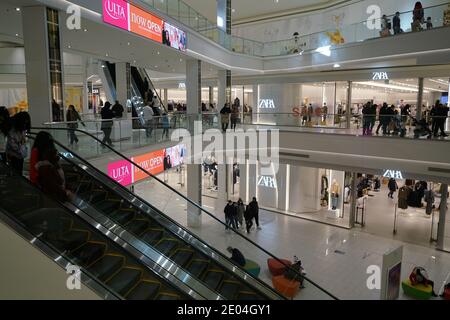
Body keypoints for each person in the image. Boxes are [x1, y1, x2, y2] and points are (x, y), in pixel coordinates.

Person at [35, 137, 71, 202]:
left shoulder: (55, 165)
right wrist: (64, 193)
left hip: (60, 195)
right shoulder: (46, 168)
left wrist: (67, 189)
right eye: (56, 154)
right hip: (55, 198)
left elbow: (62, 179)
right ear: (51, 155)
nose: (58, 156)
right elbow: (52, 185)